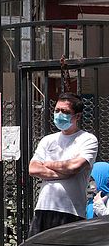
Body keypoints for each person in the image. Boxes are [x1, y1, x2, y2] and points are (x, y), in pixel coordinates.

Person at [28, 93, 99, 236]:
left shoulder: (87, 139)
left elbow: (74, 166)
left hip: (70, 211)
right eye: (57, 110)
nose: (59, 115)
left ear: (77, 116)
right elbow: (33, 168)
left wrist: (47, 164)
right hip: (44, 208)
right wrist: (64, 173)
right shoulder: (48, 140)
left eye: (65, 112)